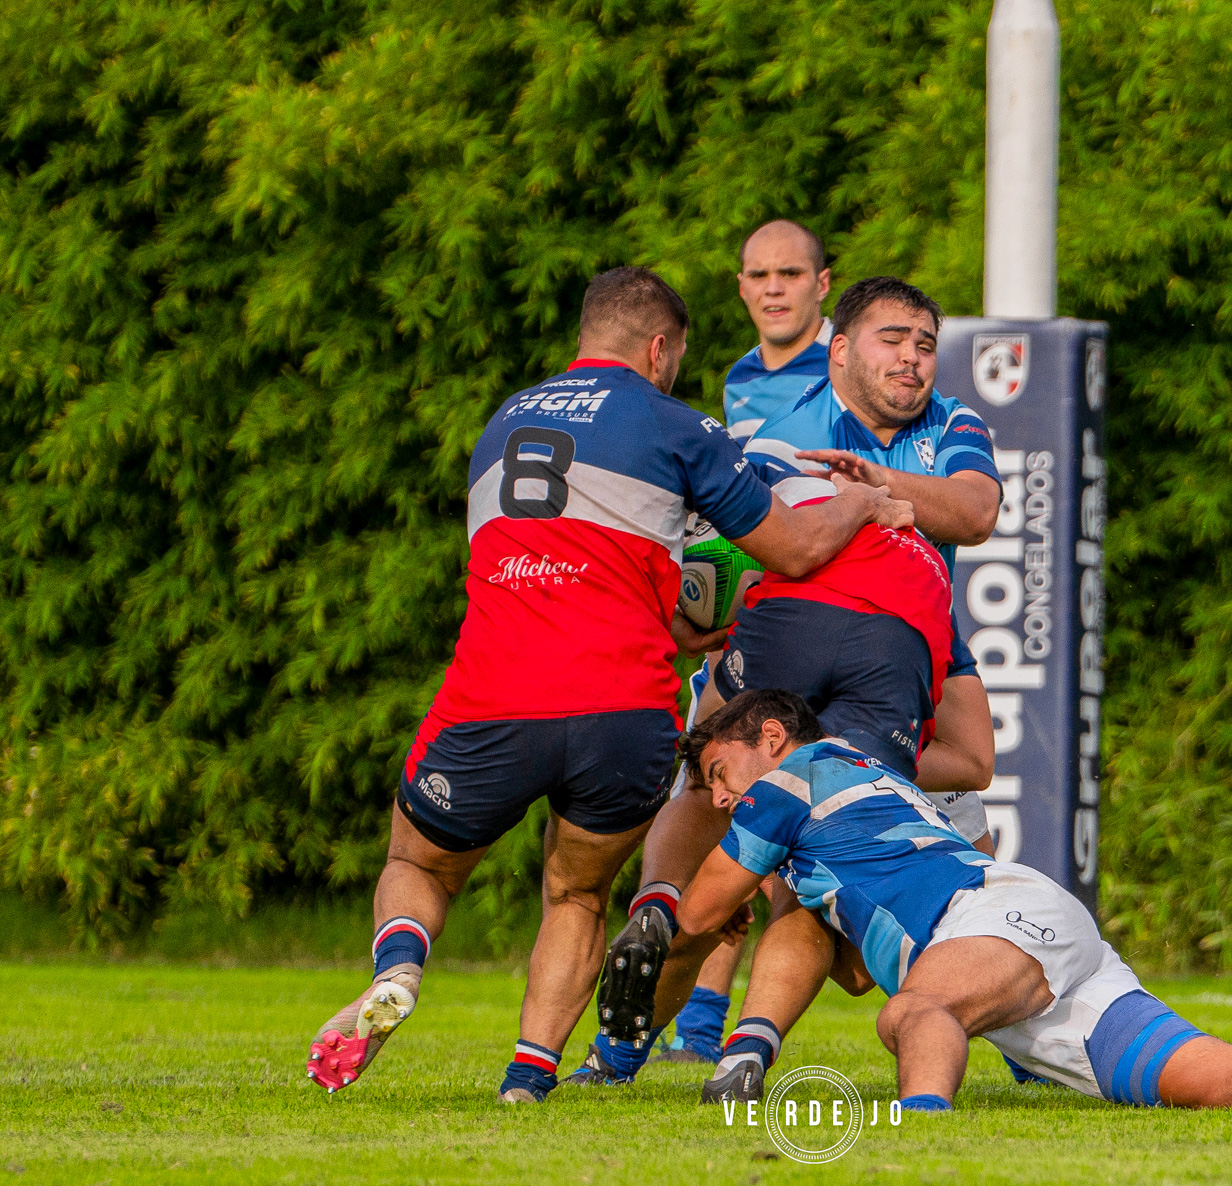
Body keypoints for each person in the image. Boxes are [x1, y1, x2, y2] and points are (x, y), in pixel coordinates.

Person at [301, 267, 910, 1104]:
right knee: (578, 891)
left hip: (493, 693)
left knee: (421, 863)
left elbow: (545, 563)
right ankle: (527, 1078)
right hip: (624, 709)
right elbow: (794, 548)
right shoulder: (677, 425)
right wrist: (864, 502)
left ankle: (399, 968)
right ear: (660, 348)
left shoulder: (502, 421)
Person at [654, 689, 1232, 1109]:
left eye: (720, 774)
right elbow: (855, 974)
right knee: (1220, 1082)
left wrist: (685, 901)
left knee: (916, 1012)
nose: (722, 798)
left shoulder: (798, 774)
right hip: (1024, 949)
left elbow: (695, 916)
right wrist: (792, 895)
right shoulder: (847, 783)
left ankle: (915, 1136)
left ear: (769, 738)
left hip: (991, 921)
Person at [563, 277, 998, 1088]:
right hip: (864, 622)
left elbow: (973, 513)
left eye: (926, 345)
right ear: (839, 350)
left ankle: (657, 934)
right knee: (771, 857)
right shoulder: (780, 426)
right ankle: (703, 1038)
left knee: (726, 789)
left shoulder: (953, 420)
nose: (913, 358)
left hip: (906, 626)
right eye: (893, 340)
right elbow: (725, 540)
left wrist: (873, 490)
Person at [721, 220, 833, 444]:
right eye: (758, 276)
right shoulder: (738, 380)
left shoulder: (854, 364)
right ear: (742, 288)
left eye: (790, 274)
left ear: (822, 285)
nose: (773, 289)